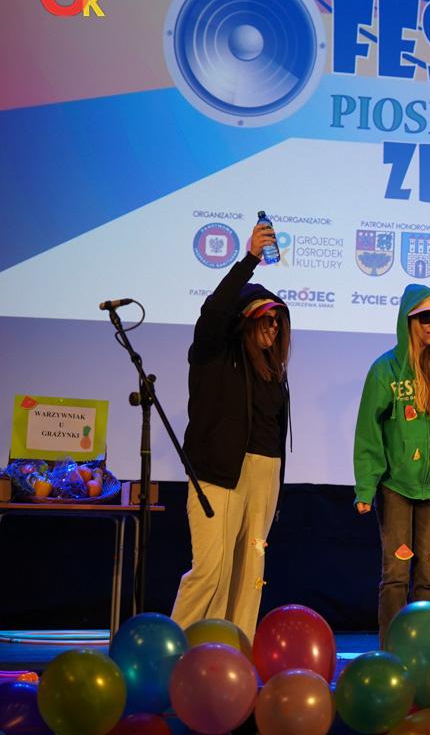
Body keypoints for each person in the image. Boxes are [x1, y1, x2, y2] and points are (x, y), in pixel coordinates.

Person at [171, 222, 290, 639]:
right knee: (212, 571)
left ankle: (235, 651)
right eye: (265, 319)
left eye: (278, 321)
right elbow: (214, 312)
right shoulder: (214, 353)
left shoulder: (272, 371)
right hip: (219, 473)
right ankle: (176, 649)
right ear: (243, 321)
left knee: (250, 573)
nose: (273, 327)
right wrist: (250, 259)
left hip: (264, 473)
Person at [353, 285, 430, 645]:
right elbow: (369, 433)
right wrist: (365, 487)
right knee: (395, 575)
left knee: (428, 576)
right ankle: (393, 649)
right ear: (408, 320)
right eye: (426, 317)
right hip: (396, 487)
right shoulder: (385, 371)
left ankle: (423, 650)